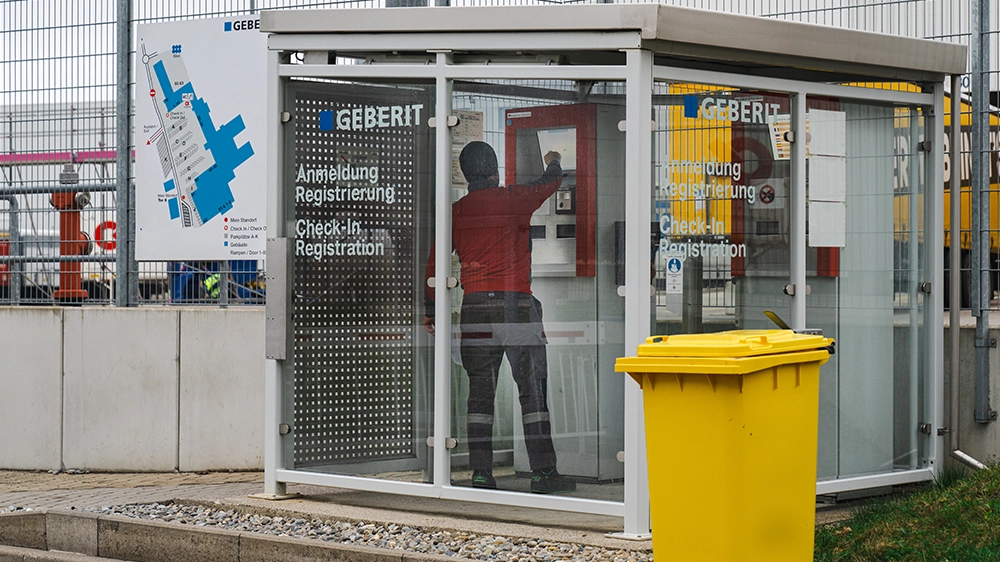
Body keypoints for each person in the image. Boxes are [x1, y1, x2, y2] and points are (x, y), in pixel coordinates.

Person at [424, 141, 575, 494]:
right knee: (532, 390)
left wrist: (431, 310)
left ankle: (481, 474)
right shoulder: (513, 199)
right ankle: (543, 473)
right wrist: (554, 161)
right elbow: (550, 184)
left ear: (465, 175)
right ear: (495, 171)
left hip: (475, 308)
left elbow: (434, 267)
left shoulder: (456, 212)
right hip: (517, 307)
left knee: (479, 394)